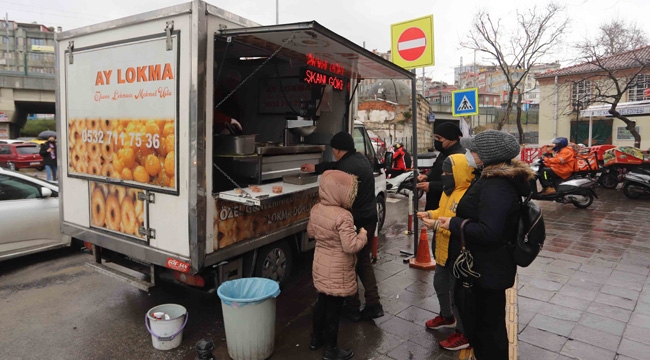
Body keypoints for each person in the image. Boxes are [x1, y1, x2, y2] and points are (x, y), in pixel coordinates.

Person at [437, 130, 534, 360]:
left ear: (487, 155)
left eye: (472, 150)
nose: (468, 154)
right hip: (488, 268)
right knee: (487, 328)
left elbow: (489, 232)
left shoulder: (497, 186)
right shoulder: (491, 178)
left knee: (488, 332)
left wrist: (454, 223)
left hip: (488, 270)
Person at [301, 131, 383, 322]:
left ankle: (353, 308)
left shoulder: (346, 167)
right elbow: (336, 166)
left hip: (356, 221)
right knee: (363, 262)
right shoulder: (359, 158)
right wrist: (316, 168)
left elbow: (338, 187)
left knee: (349, 262)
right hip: (370, 218)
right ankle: (374, 304)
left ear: (337, 150)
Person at [307, 170, 368, 360]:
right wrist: (362, 235)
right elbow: (350, 246)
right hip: (337, 269)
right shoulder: (343, 216)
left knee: (321, 303)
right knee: (334, 309)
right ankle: (331, 350)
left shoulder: (316, 209)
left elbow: (311, 233)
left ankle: (316, 339)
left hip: (320, 264)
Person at [417, 153, 475, 351]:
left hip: (457, 252)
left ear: (458, 172)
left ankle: (462, 332)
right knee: (440, 283)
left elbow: (461, 226)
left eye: (447, 172)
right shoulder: (448, 191)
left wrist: (435, 226)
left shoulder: (468, 195)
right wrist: (430, 214)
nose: (443, 175)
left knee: (458, 293)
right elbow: (443, 213)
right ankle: (446, 316)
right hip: (443, 249)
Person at [417, 123, 465, 211]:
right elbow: (436, 168)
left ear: (451, 139)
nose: (436, 140)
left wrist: (431, 186)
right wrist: (427, 176)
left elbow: (457, 184)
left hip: (446, 208)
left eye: (439, 138)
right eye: (435, 137)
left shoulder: (459, 156)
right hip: (434, 203)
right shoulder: (444, 152)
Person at [213, 68, 243, 135]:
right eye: (233, 82)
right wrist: (229, 121)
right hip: (219, 129)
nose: (235, 85)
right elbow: (212, 114)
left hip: (232, 127)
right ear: (226, 80)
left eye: (237, 83)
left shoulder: (233, 95)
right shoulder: (217, 93)